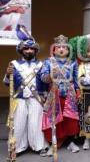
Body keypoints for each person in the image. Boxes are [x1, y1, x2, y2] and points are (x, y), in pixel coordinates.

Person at [3, 27, 47, 155]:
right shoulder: (13, 64)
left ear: (35, 50)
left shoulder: (41, 64)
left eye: (31, 48)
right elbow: (7, 82)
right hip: (19, 98)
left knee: (36, 123)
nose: (29, 50)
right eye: (26, 48)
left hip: (36, 98)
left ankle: (38, 146)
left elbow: (45, 81)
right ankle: (17, 148)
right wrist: (7, 73)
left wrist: (50, 78)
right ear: (21, 50)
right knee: (18, 123)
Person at [40, 35, 80, 156]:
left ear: (68, 50)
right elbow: (43, 77)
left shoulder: (73, 63)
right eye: (58, 47)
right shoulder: (48, 62)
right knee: (54, 119)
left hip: (69, 94)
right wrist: (50, 75)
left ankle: (71, 142)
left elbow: (76, 80)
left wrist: (78, 93)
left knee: (70, 119)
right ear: (54, 49)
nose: (61, 49)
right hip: (54, 93)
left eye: (64, 47)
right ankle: (54, 143)